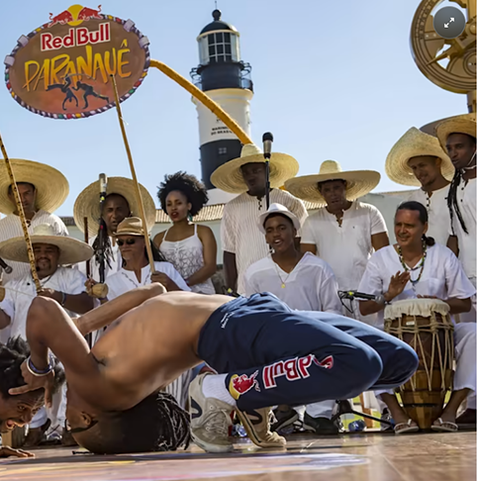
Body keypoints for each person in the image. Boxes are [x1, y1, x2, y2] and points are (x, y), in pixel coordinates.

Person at [11, 285, 418, 455]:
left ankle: (252, 397)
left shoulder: (107, 359)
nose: (66, 421)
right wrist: (40, 363)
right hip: (232, 328)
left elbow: (154, 292)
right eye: (75, 429)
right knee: (360, 364)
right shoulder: (99, 389)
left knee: (400, 362)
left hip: (249, 314)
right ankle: (228, 390)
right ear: (87, 417)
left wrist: (74, 334)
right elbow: (44, 310)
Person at [357, 201, 476, 433]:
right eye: (398, 224)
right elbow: (364, 307)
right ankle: (397, 413)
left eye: (409, 225)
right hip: (394, 337)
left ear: (425, 227)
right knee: (367, 344)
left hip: (441, 336)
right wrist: (389, 294)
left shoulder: (442, 255)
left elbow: (463, 301)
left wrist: (438, 303)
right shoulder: (381, 259)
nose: (402, 230)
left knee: (474, 334)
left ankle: (451, 410)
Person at [244, 203, 343, 435]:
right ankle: (283, 411)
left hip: (314, 341)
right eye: (270, 230)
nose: (276, 234)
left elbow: (333, 311)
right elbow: (249, 314)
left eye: (281, 228)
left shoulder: (319, 268)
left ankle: (317, 415)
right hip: (273, 345)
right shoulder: (255, 272)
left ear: (294, 231)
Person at [0, 224, 94, 444]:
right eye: (37, 249)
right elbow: (4, 319)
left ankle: (67, 427)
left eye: (48, 250)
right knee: (27, 390)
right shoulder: (15, 283)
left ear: (58, 254)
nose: (42, 255)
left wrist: (58, 296)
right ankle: (36, 426)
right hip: (26, 353)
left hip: (64, 349)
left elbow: (89, 304)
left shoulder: (70, 277)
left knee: (68, 385)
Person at [88, 217, 191, 409]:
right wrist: (102, 298)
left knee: (172, 401)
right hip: (133, 349)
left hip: (168, 343)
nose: (124, 246)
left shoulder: (164, 269)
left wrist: (172, 285)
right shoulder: (112, 281)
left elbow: (191, 302)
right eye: (120, 242)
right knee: (141, 404)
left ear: (144, 241)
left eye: (130, 241)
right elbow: (111, 320)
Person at [285, 160, 389, 325]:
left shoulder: (369, 212)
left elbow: (384, 256)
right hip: (332, 298)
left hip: (367, 294)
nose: (333, 194)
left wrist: (386, 291)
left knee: (374, 341)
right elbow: (308, 264)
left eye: (336, 188)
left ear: (345, 187)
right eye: (327, 190)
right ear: (321, 193)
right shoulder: (312, 222)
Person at [211, 144, 307, 295]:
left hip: (286, 284)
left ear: (267, 171)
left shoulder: (289, 202)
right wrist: (230, 289)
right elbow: (230, 252)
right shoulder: (232, 208)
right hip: (247, 287)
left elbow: (301, 244)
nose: (251, 176)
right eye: (246, 172)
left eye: (256, 171)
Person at [436, 114, 477, 425]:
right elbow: (455, 237)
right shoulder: (456, 187)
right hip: (467, 277)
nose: (453, 153)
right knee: (472, 341)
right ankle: (473, 407)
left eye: (460, 147)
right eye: (450, 148)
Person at [74, 176, 157, 282]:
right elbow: (81, 278)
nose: (114, 215)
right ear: (102, 215)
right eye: (109, 210)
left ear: (129, 212)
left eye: (119, 209)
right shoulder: (90, 246)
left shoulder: (140, 242)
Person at [0, 159, 69, 283]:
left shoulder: (53, 222)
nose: (22, 199)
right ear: (10, 196)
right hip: (12, 296)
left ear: (35, 193)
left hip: (52, 292)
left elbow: (66, 262)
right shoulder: (1, 227)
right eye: (17, 194)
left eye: (27, 193)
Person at [385, 127, 454, 246]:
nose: (418, 172)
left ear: (437, 162)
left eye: (422, 165)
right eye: (414, 168)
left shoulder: (458, 194)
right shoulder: (410, 201)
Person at [154, 172, 217, 294]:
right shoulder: (159, 239)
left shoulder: (203, 232)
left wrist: (182, 284)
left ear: (189, 205)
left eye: (178, 203)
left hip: (202, 294)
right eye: (169, 204)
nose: (174, 208)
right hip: (171, 297)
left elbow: (210, 267)